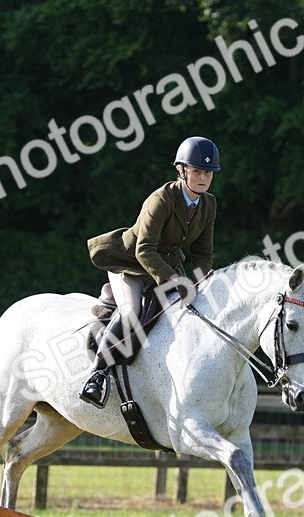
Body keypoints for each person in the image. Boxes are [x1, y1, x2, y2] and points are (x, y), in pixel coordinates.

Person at [80, 136, 220, 407]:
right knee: (132, 312)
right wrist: (173, 278)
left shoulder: (208, 204)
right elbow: (144, 248)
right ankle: (95, 376)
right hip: (130, 262)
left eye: (208, 172)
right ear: (182, 171)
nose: (203, 177)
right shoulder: (161, 198)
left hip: (167, 266)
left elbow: (202, 253)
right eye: (197, 171)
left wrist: (203, 281)